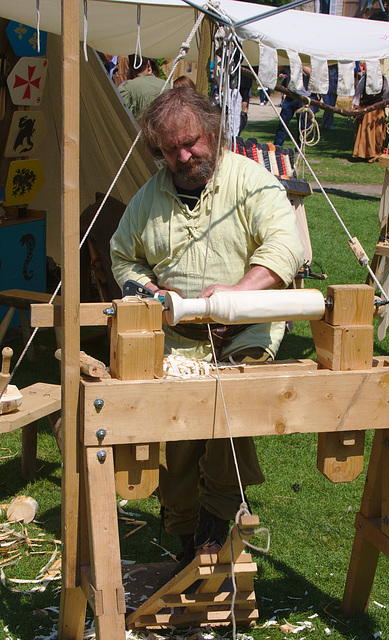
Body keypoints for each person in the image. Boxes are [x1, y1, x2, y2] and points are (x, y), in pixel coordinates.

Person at [110, 88, 304, 571]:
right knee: (176, 436)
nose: (183, 156)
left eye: (191, 143)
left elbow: (286, 246)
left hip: (245, 333)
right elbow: (121, 254)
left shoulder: (251, 182)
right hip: (178, 342)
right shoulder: (150, 196)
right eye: (171, 148)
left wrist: (238, 295)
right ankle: (184, 534)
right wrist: (149, 291)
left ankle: (218, 517)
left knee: (225, 414)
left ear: (212, 134)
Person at [274, 66, 317, 155]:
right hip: (290, 96)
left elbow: (313, 75)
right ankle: (277, 147)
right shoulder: (291, 60)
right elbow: (279, 68)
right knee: (282, 124)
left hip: (304, 98)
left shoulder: (307, 61)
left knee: (302, 126)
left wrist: (301, 65)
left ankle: (299, 149)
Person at [351, 71, 389, 162]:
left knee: (378, 133)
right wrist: (353, 106)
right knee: (366, 132)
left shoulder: (383, 80)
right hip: (366, 110)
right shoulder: (364, 79)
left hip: (378, 111)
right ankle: (366, 153)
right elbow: (358, 93)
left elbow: (386, 95)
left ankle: (376, 153)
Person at [119, 55, 169, 119]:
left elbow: (120, 115)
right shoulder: (166, 85)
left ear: (129, 66)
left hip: (139, 128)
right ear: (148, 63)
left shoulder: (126, 88)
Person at [320, 64, 338, 131]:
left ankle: (330, 126)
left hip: (334, 91)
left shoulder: (337, 69)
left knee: (332, 109)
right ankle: (323, 124)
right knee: (327, 107)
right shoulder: (325, 68)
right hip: (326, 91)